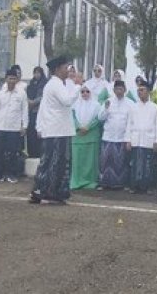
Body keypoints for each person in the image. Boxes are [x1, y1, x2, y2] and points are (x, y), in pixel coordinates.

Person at [31, 55, 80, 204]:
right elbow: (67, 101)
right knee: (57, 162)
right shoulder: (56, 84)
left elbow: (43, 108)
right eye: (65, 68)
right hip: (58, 130)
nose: (68, 71)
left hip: (54, 129)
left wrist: (40, 126)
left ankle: (40, 190)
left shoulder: (52, 84)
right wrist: (78, 86)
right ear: (58, 69)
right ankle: (52, 193)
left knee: (48, 161)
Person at [0, 68, 29, 185]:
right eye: (10, 78)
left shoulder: (21, 93)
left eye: (14, 78)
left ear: (17, 80)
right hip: (0, 127)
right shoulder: (0, 94)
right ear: (6, 79)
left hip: (14, 128)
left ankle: (11, 175)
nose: (12, 81)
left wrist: (24, 126)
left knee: (13, 153)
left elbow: (24, 110)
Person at [125, 81, 157, 194]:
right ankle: (134, 186)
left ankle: (147, 186)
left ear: (148, 91)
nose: (140, 92)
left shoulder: (154, 107)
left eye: (142, 90)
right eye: (138, 90)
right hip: (136, 139)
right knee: (135, 163)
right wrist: (128, 140)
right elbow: (129, 124)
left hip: (149, 139)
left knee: (148, 164)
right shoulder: (133, 106)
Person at [97, 80, 133, 190]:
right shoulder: (108, 101)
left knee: (121, 162)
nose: (119, 91)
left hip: (122, 137)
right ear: (113, 90)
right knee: (106, 161)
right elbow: (100, 118)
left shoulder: (130, 104)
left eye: (121, 89)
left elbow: (131, 122)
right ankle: (105, 184)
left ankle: (120, 184)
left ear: (125, 90)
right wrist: (106, 109)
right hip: (108, 137)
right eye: (117, 89)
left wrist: (129, 138)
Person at [70, 85, 102, 190]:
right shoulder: (74, 105)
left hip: (91, 136)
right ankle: (77, 181)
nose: (85, 94)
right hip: (78, 136)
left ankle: (90, 182)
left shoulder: (97, 105)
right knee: (77, 160)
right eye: (82, 91)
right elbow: (72, 118)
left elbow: (98, 119)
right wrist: (79, 127)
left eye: (87, 91)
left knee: (90, 161)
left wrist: (88, 127)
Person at [25, 66, 48, 158]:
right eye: (35, 73)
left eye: (38, 73)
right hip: (30, 111)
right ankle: (31, 154)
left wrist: (33, 102)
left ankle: (39, 155)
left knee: (38, 133)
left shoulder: (45, 84)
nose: (36, 75)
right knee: (31, 133)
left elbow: (43, 97)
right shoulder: (31, 84)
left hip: (39, 111)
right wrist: (29, 102)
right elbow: (26, 95)